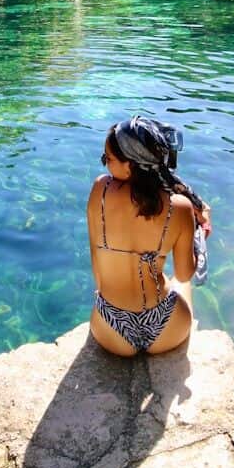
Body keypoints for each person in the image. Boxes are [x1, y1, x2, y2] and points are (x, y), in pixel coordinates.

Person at [87, 116, 212, 356]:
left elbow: (96, 256)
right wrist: (201, 232)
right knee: (175, 282)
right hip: (166, 329)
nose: (105, 165)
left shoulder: (99, 190)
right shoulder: (180, 206)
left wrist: (103, 292)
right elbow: (186, 274)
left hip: (110, 330)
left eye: (108, 159)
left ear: (130, 165)